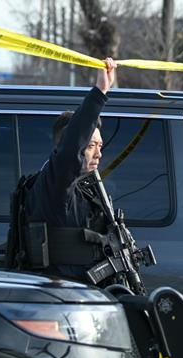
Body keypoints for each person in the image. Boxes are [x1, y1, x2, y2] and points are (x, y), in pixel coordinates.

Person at [18, 58, 118, 282]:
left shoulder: (85, 191)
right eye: (91, 146)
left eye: (99, 146)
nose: (98, 154)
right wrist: (100, 92)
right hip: (61, 296)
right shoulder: (55, 185)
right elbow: (69, 151)